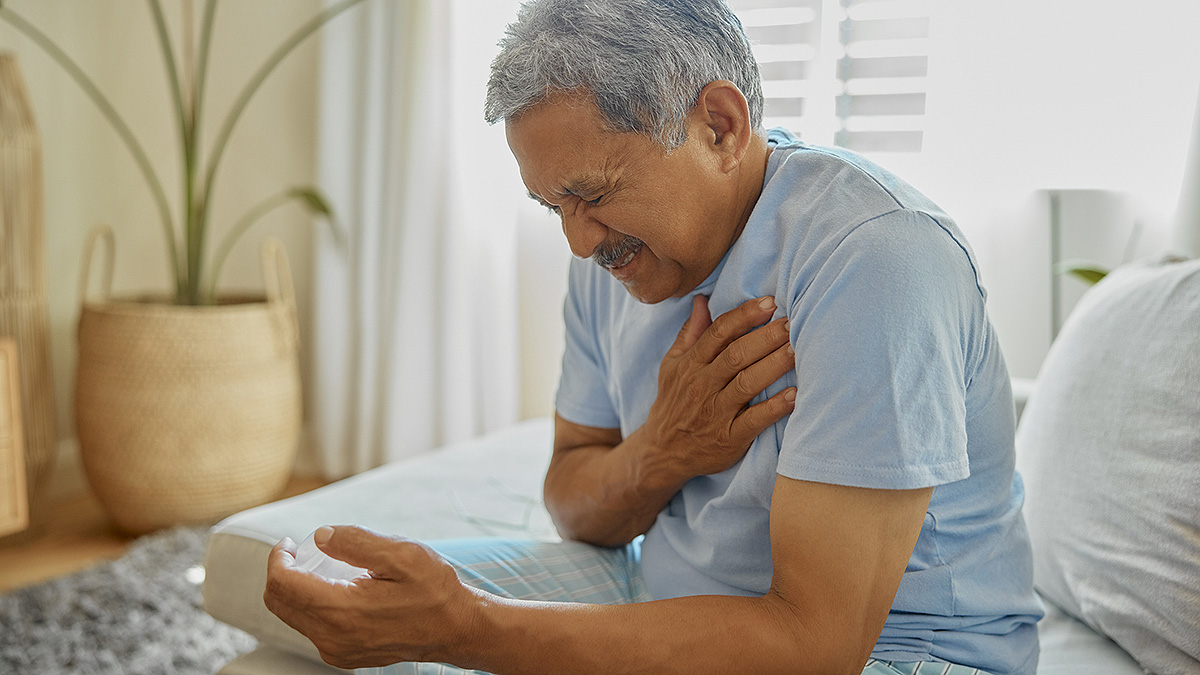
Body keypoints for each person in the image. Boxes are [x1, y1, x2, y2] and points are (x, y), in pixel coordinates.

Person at [263, 1, 1044, 673]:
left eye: (591, 195)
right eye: (551, 207)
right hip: (666, 588)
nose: (576, 242)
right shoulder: (610, 251)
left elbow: (815, 646)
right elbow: (576, 504)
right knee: (350, 592)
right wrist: (665, 450)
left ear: (719, 126)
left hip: (904, 650)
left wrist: (470, 628)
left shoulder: (875, 258)